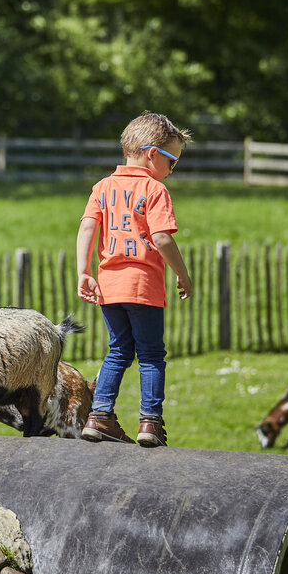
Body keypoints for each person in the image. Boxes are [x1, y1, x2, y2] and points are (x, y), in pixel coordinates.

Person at [75, 112, 193, 447]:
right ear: (153, 154)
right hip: (143, 285)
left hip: (109, 286)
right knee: (152, 354)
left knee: (118, 351)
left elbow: (86, 228)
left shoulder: (102, 187)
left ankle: (99, 416)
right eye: (172, 161)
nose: (172, 170)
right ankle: (150, 423)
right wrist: (182, 274)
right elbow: (162, 239)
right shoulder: (154, 190)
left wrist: (84, 271)